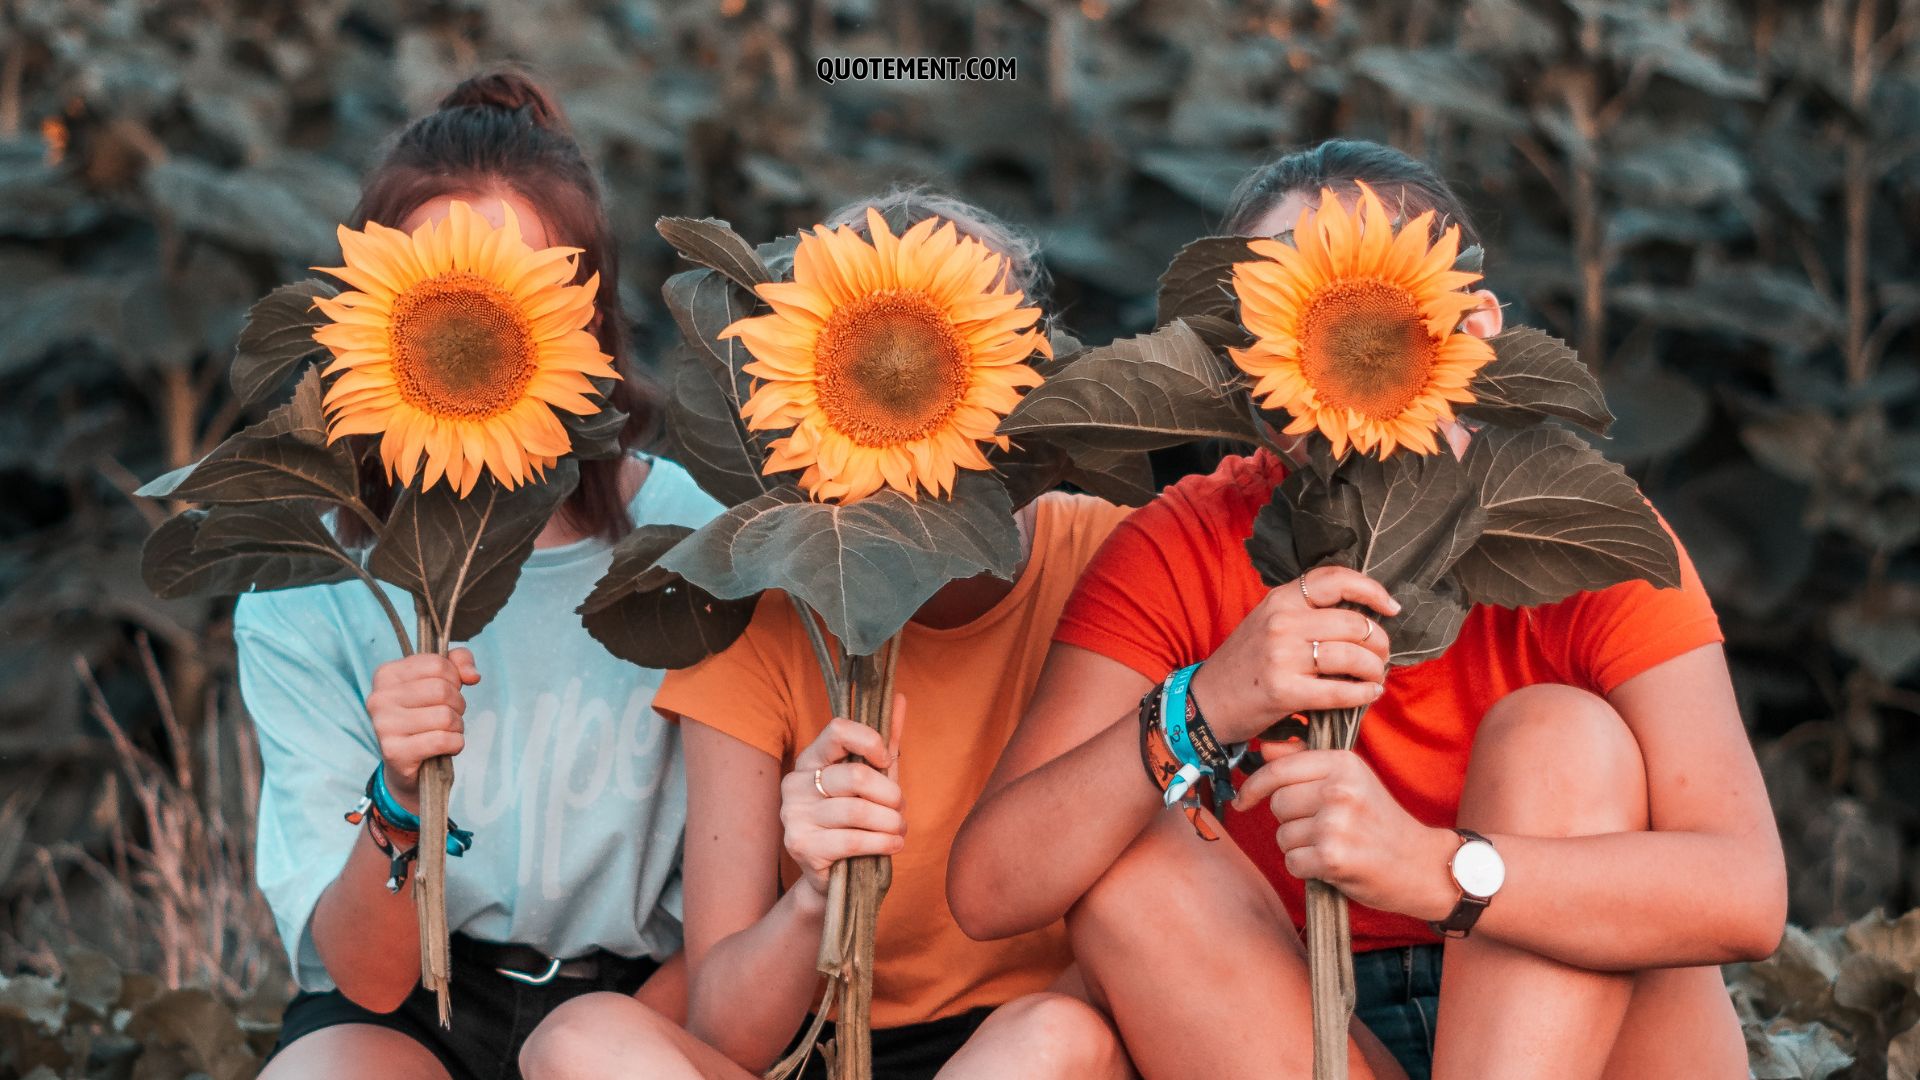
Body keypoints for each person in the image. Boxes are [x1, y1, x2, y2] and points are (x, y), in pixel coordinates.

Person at [947, 139, 1786, 1080]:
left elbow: (1747, 895)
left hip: (1585, 1011)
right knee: (1125, 839)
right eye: (1281, 310)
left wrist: (1429, 868)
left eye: (1363, 302)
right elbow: (991, 886)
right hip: (1303, 1023)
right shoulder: (1186, 545)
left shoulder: (1583, 538)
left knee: (1561, 738)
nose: (1331, 337)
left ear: (1473, 327)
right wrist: (1206, 704)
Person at [518, 191, 1134, 1080]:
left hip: (1026, 1047)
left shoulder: (1103, 558)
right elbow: (726, 1031)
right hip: (811, 1050)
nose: (897, 380)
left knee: (1054, 1042)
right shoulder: (759, 601)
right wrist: (811, 895)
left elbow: (1138, 943)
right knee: (577, 1041)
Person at [239, 69, 721, 1080]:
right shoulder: (316, 579)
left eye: (521, 301)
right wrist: (402, 793)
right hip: (407, 1003)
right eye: (441, 307)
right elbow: (363, 979)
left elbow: (730, 925)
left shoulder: (691, 542)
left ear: (584, 318)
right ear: (368, 320)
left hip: (639, 1004)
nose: (474, 336)